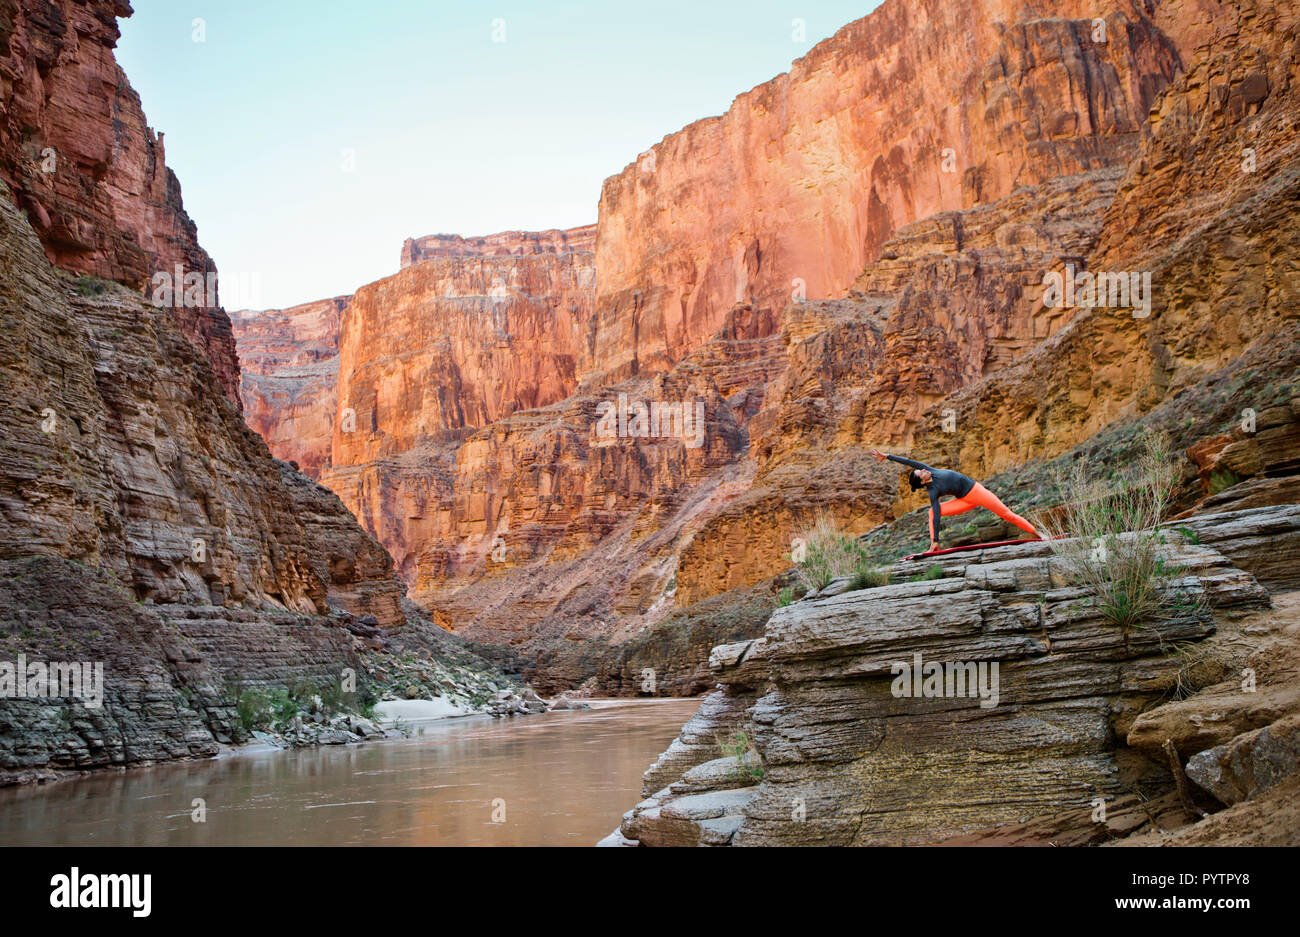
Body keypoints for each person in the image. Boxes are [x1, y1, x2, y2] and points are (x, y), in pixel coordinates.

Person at [870, 449, 1039, 553]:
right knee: (931, 511)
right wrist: (936, 539)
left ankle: (1040, 535)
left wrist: (887, 456)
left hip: (976, 491)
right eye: (920, 473)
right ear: (922, 481)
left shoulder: (929, 469)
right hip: (964, 500)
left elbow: (908, 462)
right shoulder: (933, 491)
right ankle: (934, 545)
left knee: (1007, 514)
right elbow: (936, 515)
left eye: (920, 470)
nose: (922, 470)